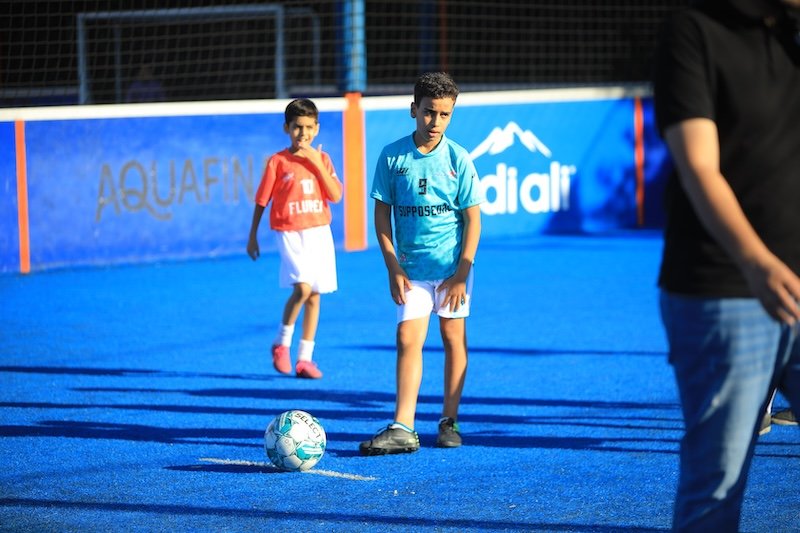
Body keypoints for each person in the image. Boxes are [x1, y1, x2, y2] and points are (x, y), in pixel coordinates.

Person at [653, 0, 800, 530]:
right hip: (724, 290)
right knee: (716, 487)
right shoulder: (694, 29)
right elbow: (698, 165)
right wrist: (757, 262)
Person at [359, 72, 484, 455]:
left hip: (451, 272)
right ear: (414, 109)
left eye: (445, 114)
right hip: (410, 271)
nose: (436, 122)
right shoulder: (392, 157)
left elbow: (473, 220)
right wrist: (392, 266)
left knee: (453, 339)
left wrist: (462, 272)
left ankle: (449, 420)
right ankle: (403, 427)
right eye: (429, 112)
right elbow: (382, 216)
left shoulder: (459, 159)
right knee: (406, 339)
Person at [247, 98, 343, 379]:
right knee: (302, 288)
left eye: (309, 127)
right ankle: (281, 342)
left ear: (317, 129)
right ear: (286, 128)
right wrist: (252, 235)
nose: (303, 133)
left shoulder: (322, 159)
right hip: (289, 231)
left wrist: (315, 162)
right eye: (297, 127)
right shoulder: (278, 162)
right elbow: (262, 200)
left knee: (314, 295)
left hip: (319, 231)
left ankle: (305, 359)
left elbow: (336, 195)